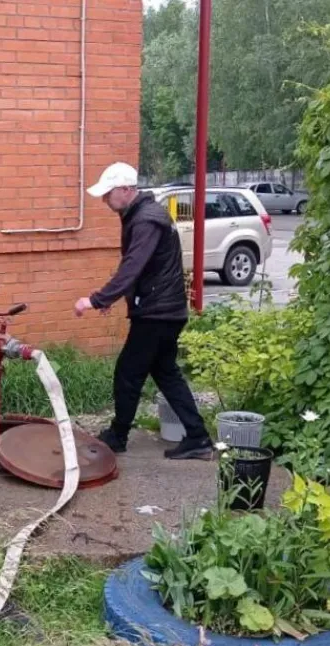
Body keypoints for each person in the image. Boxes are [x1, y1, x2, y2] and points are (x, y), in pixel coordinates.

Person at [75, 161, 213, 460]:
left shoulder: (146, 220)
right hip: (166, 310)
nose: (104, 200)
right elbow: (141, 269)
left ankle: (118, 435)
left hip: (157, 313)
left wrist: (97, 299)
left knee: (128, 373)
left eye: (108, 193)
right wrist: (114, 298)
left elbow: (132, 266)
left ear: (126, 190)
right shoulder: (141, 214)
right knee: (166, 372)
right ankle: (198, 437)